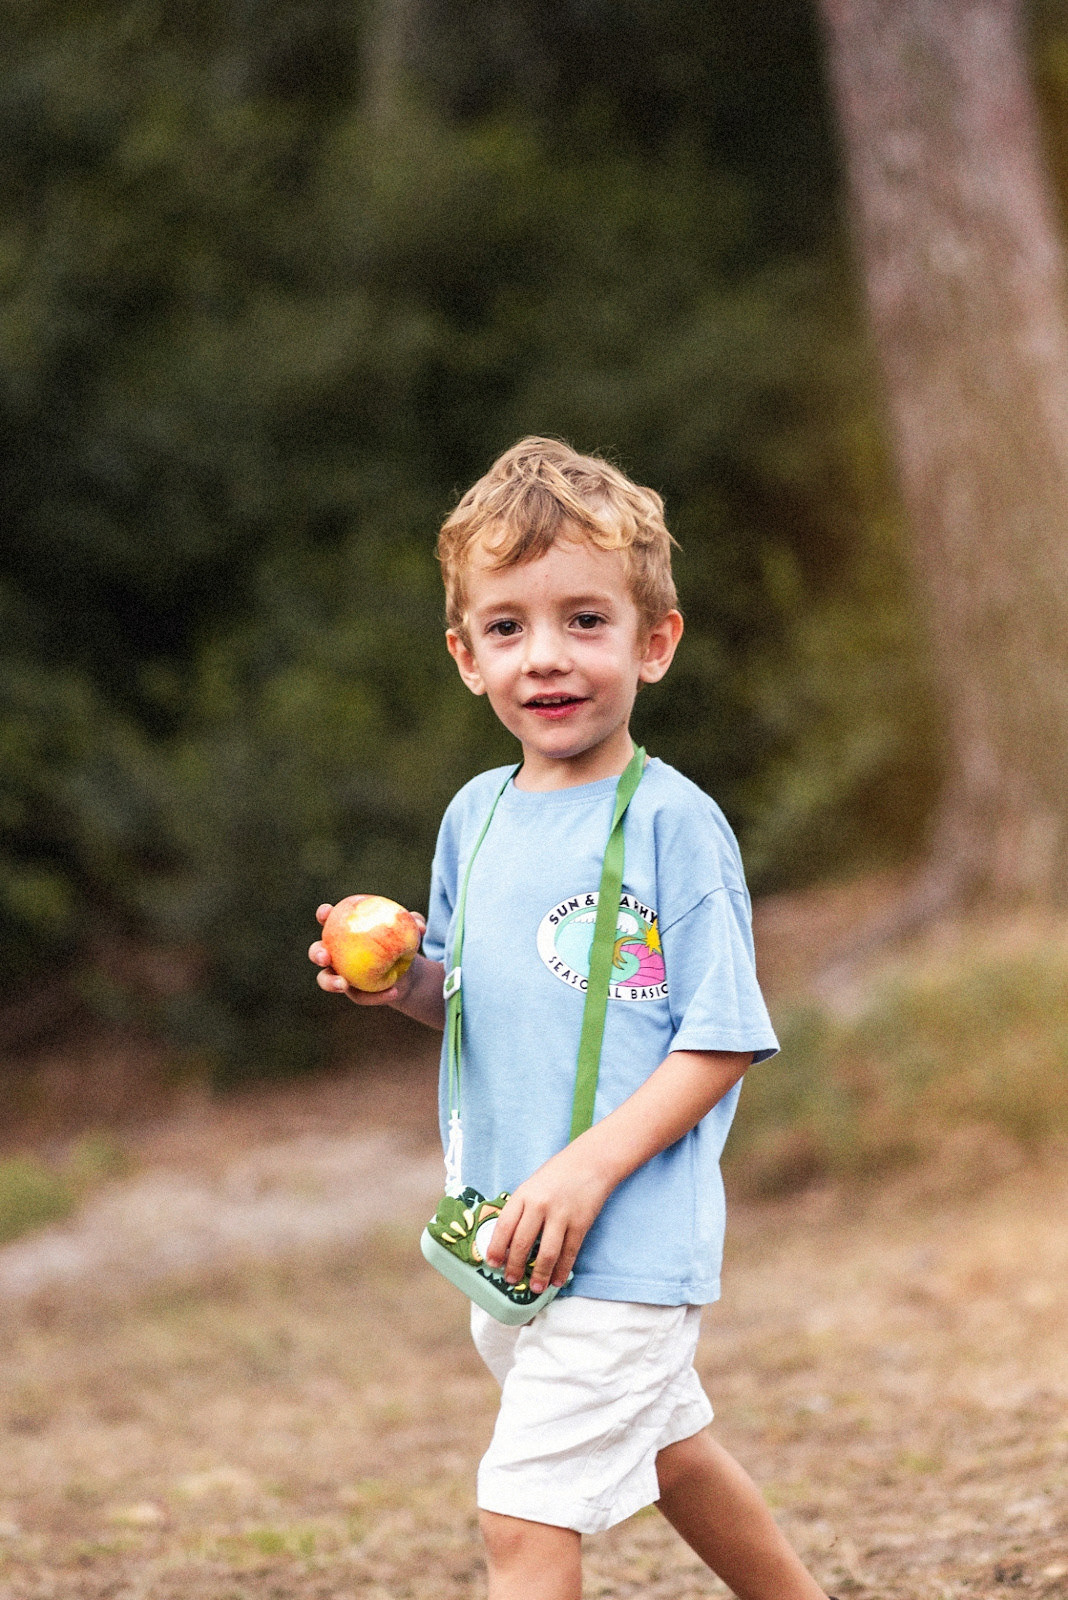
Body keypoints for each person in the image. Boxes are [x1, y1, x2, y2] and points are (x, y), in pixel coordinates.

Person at [309, 438, 832, 1600]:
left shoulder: (673, 827)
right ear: (465, 656)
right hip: (514, 1236)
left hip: (626, 1244)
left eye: (584, 620)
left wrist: (588, 1171)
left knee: (524, 1512)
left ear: (655, 641)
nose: (545, 657)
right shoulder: (474, 817)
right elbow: (472, 999)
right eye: (507, 628)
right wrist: (400, 981)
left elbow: (725, 1034)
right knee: (672, 1452)